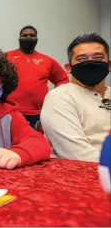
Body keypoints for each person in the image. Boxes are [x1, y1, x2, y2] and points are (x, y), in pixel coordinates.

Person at [41, 33, 111, 162]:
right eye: (82, 59)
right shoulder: (59, 97)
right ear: (68, 68)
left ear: (109, 65)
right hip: (88, 174)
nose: (91, 62)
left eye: (98, 57)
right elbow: (78, 154)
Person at [6, 25, 69, 128]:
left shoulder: (47, 61)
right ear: (19, 39)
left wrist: (53, 98)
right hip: (10, 111)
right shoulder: (6, 57)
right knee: (11, 143)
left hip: (38, 114)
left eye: (32, 35)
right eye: (25, 35)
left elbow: (62, 80)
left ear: (36, 39)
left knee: (36, 142)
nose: (28, 37)